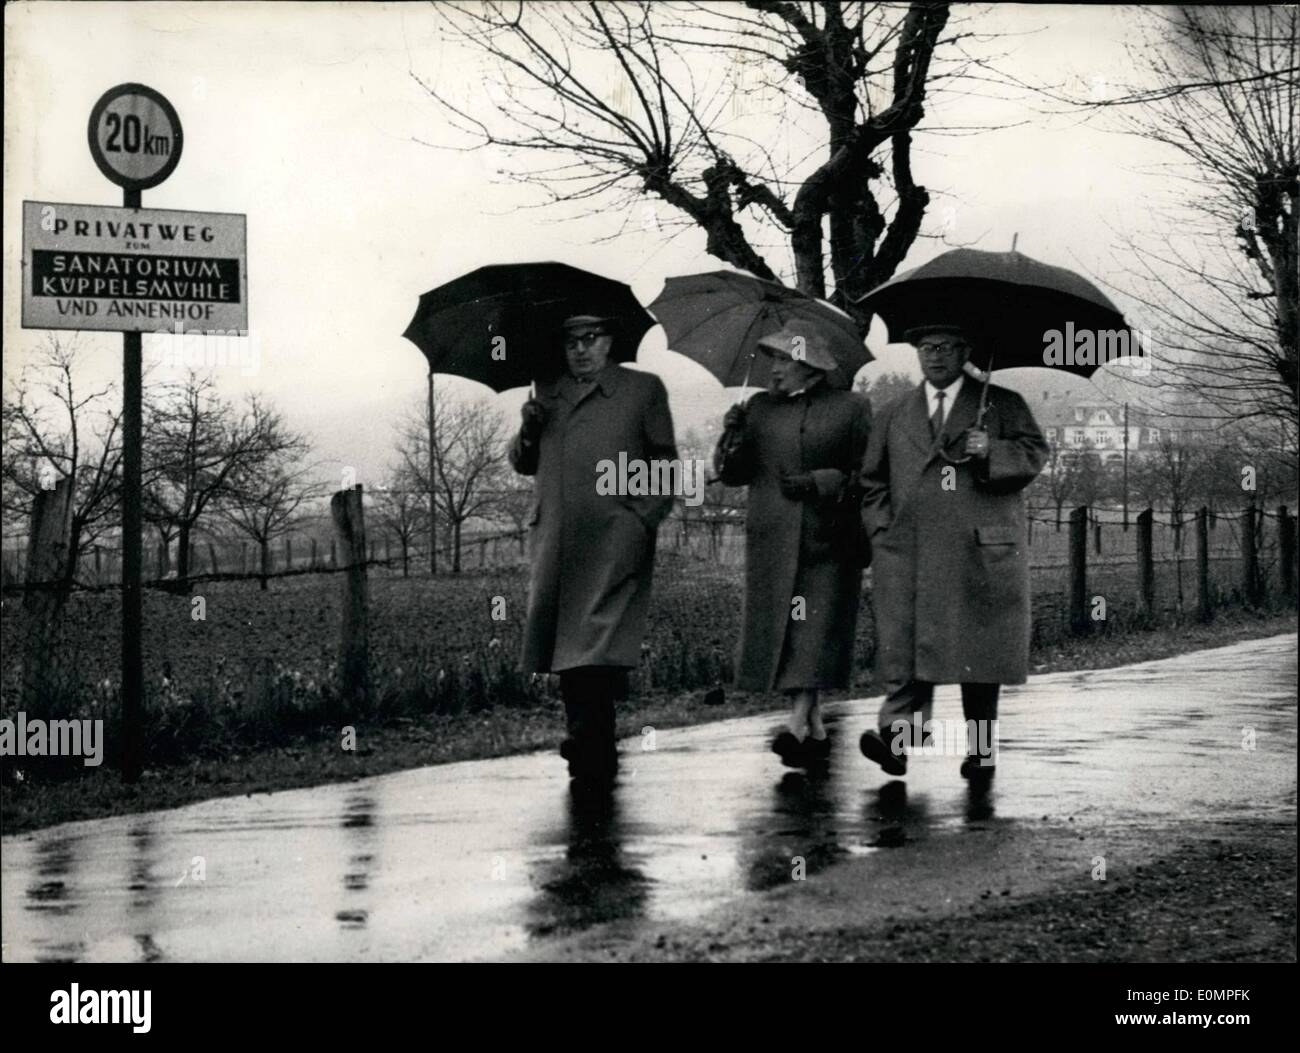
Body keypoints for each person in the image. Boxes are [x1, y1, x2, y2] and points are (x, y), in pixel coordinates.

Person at [857, 324, 1048, 780]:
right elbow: (871, 482)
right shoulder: (893, 413)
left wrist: (993, 450)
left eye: (945, 347)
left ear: (965, 350)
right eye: (926, 347)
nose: (935, 356)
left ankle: (981, 751)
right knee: (908, 650)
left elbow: (1035, 453)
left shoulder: (1001, 404)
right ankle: (898, 741)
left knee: (978, 657)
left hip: (977, 548)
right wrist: (883, 529)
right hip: (908, 553)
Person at [509, 312, 678, 781]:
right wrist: (528, 428)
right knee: (567, 643)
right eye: (570, 342)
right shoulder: (547, 391)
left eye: (590, 339)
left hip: (614, 538)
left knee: (598, 642)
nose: (580, 349)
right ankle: (587, 736)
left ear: (610, 342)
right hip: (559, 538)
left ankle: (590, 737)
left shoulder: (642, 390)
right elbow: (523, 463)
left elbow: (665, 464)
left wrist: (640, 521)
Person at [713, 319, 872, 769]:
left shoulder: (852, 408)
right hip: (772, 542)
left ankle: (797, 725)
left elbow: (872, 476)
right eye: (773, 359)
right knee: (788, 634)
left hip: (828, 542)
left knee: (813, 631)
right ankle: (815, 727)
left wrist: (825, 482)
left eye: (786, 360)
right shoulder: (758, 408)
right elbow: (732, 474)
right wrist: (733, 433)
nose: (775, 369)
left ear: (812, 366)